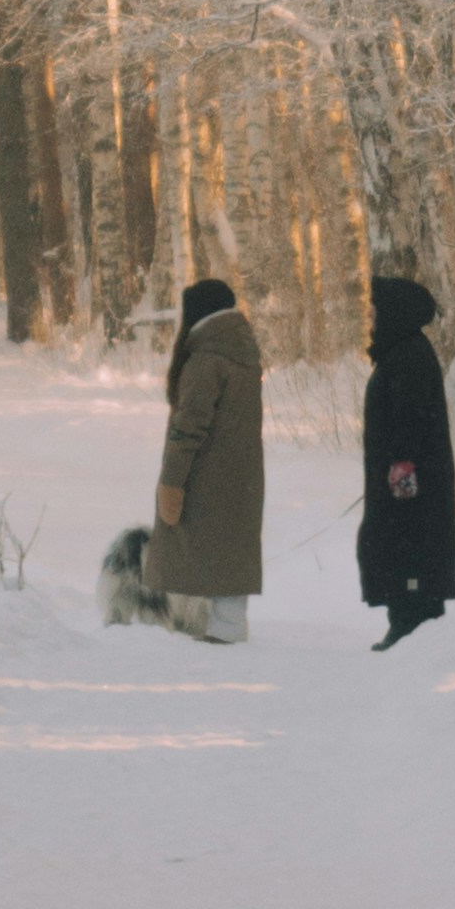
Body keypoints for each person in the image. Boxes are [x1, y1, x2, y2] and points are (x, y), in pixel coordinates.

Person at [148, 270, 265, 642]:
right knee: (232, 543)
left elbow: (188, 429)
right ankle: (229, 623)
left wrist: (171, 480)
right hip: (242, 472)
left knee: (200, 543)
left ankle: (207, 626)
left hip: (207, 473)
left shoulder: (206, 359)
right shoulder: (243, 353)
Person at [358, 272, 455, 647]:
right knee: (394, 544)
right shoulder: (401, 352)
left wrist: (402, 470)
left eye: (375, 313)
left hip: (409, 483)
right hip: (400, 478)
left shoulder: (409, 356)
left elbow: (411, 420)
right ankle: (403, 618)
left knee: (408, 546)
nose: (370, 319)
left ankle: (411, 623)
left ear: (393, 314)